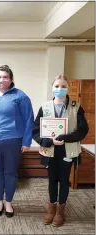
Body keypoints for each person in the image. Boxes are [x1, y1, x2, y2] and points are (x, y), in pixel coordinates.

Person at [33, 75, 89, 227]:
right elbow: (35, 131)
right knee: (52, 181)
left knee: (64, 181)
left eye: (63, 86)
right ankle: (51, 210)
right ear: (52, 88)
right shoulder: (44, 107)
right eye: (57, 86)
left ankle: (60, 212)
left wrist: (66, 137)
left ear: (68, 88)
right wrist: (49, 141)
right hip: (50, 151)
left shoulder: (76, 106)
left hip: (68, 151)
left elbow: (83, 130)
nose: (60, 89)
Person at [0, 65, 34, 218]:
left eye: (5, 77)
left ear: (11, 79)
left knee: (10, 172)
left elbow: (28, 119)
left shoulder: (20, 96)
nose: (2, 80)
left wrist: (26, 142)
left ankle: (9, 202)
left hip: (13, 140)